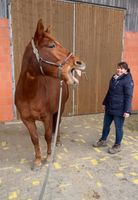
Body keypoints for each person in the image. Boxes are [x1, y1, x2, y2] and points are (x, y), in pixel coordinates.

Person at [93, 62, 134, 154]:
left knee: (118, 127)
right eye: (118, 68)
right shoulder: (114, 77)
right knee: (106, 125)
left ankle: (117, 145)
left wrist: (127, 110)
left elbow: (129, 96)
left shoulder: (128, 80)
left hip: (120, 109)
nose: (119, 70)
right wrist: (104, 102)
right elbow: (109, 91)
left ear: (126, 70)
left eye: (122, 68)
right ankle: (103, 140)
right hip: (110, 106)